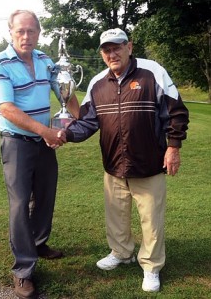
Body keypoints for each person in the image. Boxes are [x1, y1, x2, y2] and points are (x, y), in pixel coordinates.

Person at [60, 28, 189, 292]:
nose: (112, 53)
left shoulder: (152, 72)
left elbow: (177, 112)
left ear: (129, 47)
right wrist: (63, 134)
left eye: (117, 47)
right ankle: (121, 252)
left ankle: (151, 267)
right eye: (106, 49)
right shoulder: (97, 83)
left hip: (149, 164)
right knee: (116, 216)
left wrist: (173, 147)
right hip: (113, 165)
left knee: (151, 220)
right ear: (102, 54)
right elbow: (86, 122)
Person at [0, 10, 78, 299]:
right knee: (19, 205)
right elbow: (6, 108)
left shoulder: (46, 60)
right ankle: (23, 270)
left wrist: (78, 122)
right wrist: (45, 131)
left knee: (45, 195)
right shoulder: (0, 61)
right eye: (20, 31)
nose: (26, 36)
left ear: (39, 33)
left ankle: (39, 243)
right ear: (11, 33)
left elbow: (65, 91)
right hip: (16, 142)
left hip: (43, 143)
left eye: (31, 31)